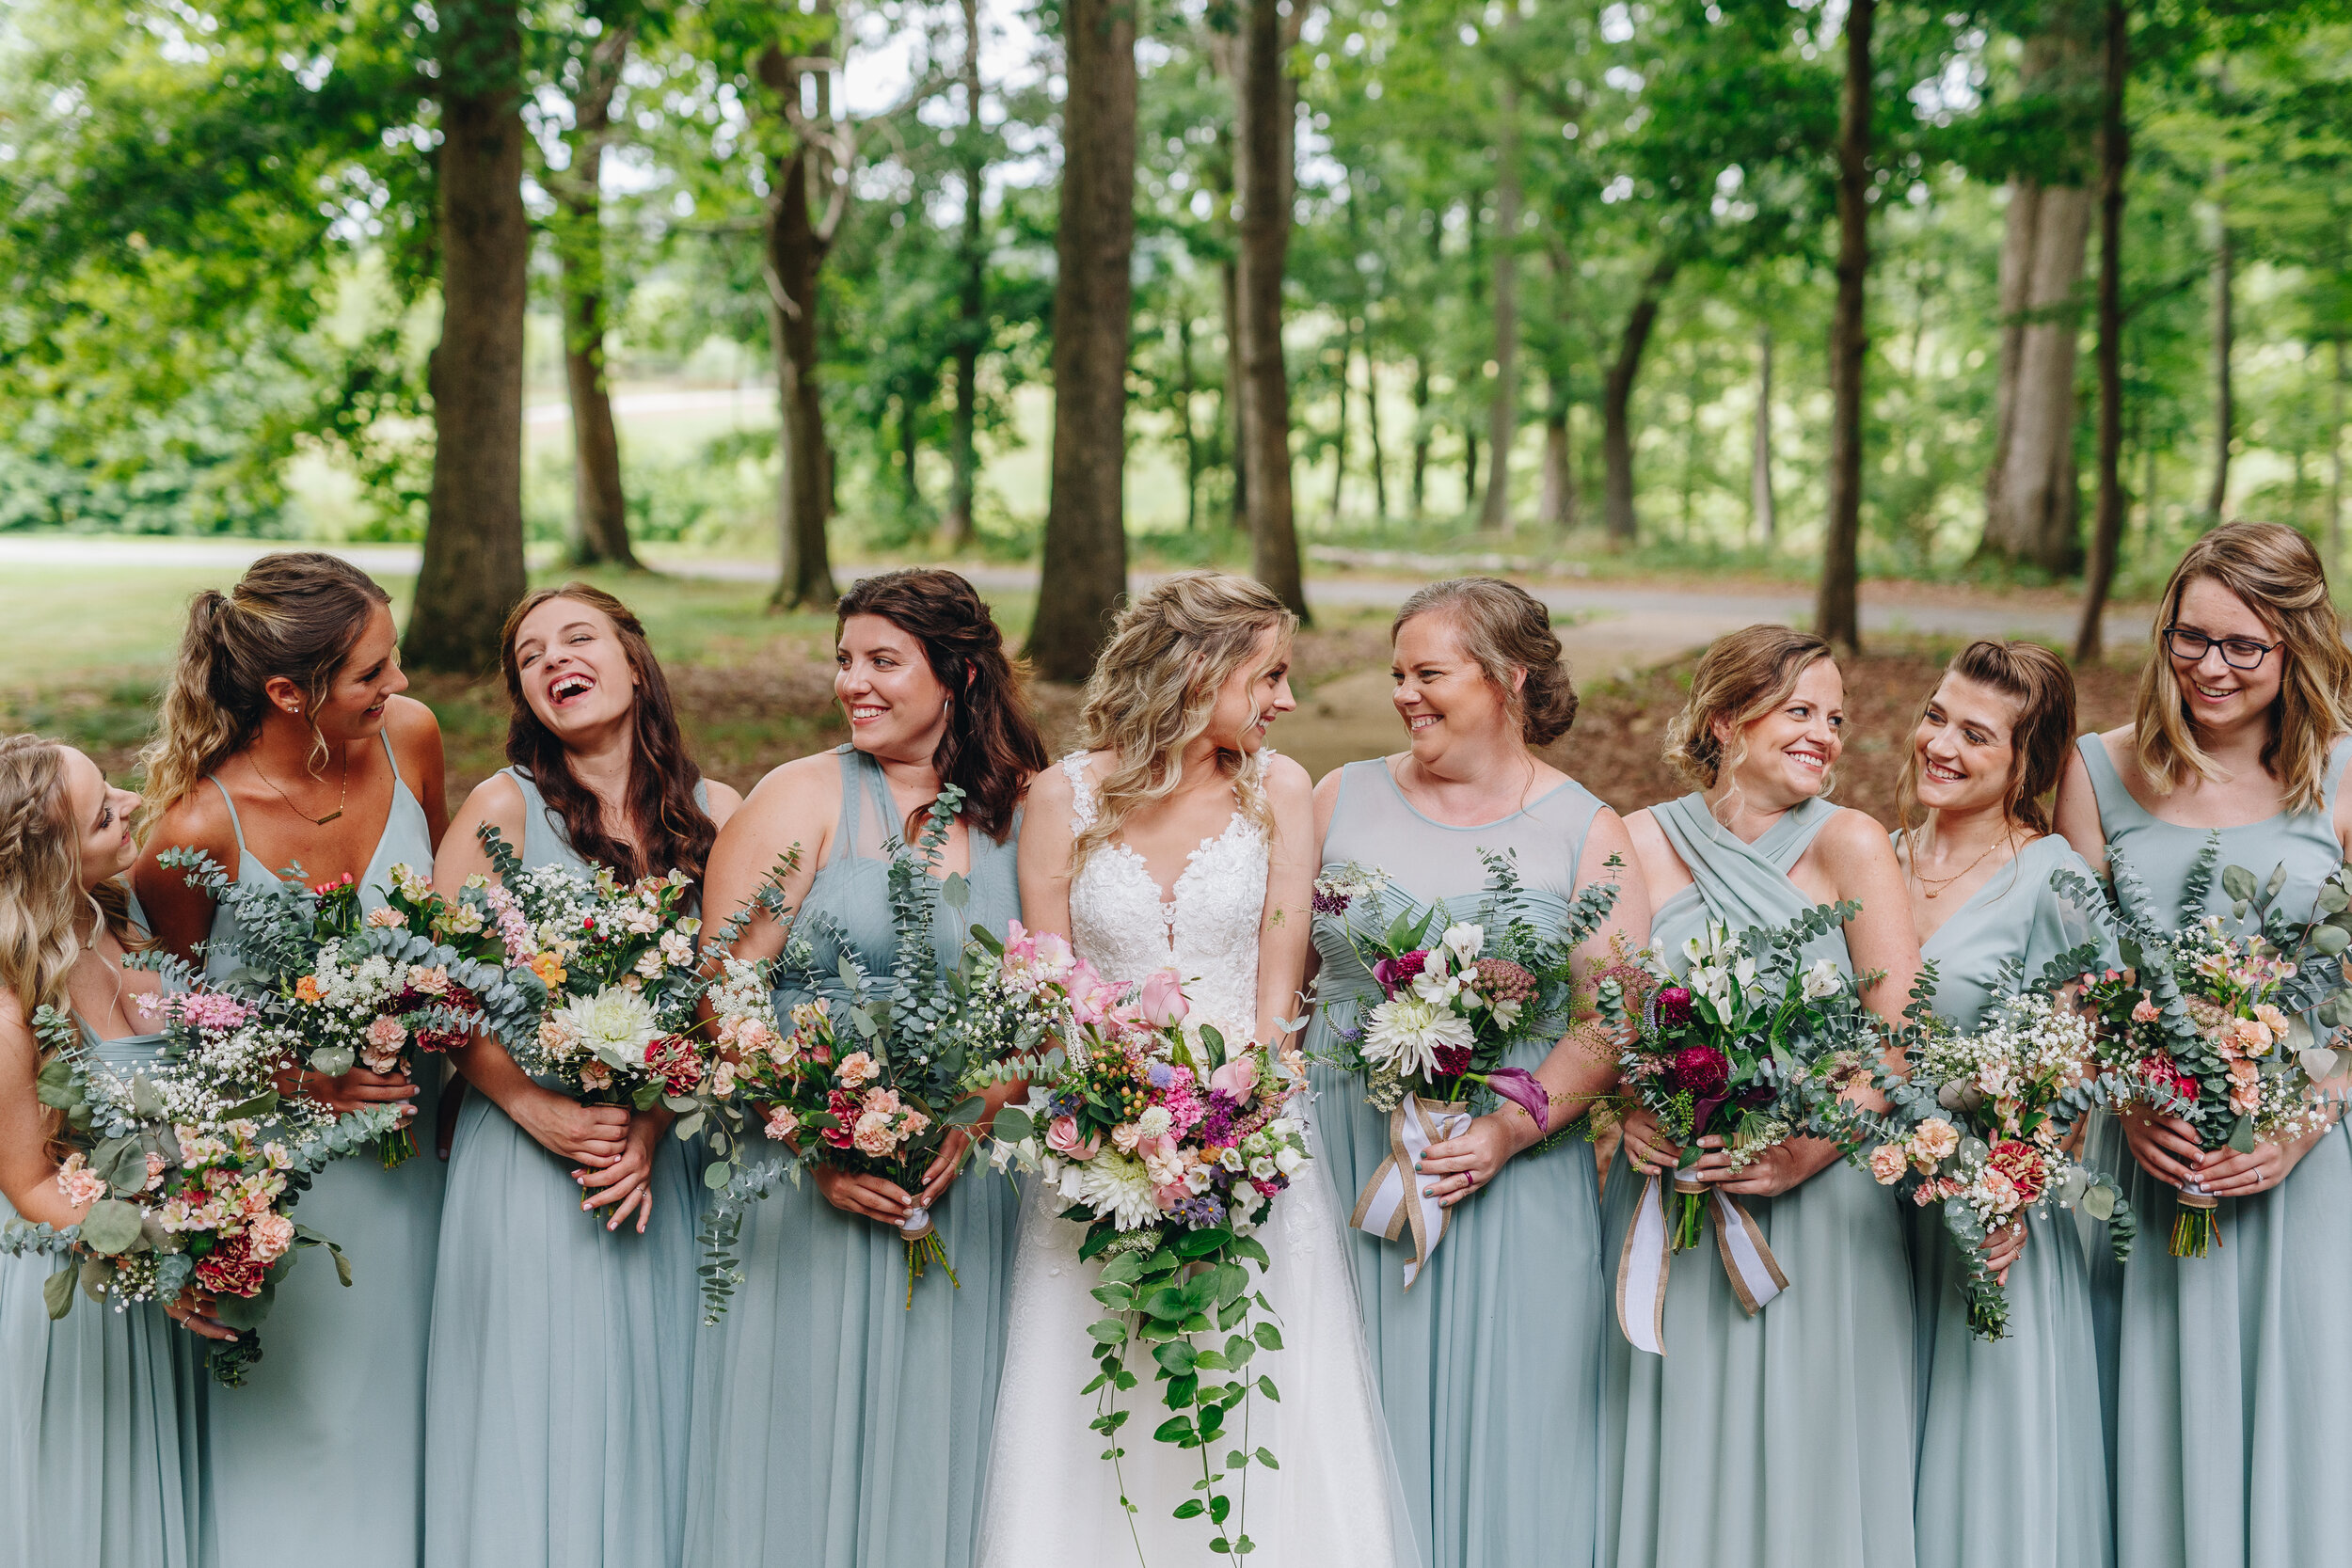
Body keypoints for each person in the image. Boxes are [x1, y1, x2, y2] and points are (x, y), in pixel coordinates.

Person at [976, 571, 1412, 1566]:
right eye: (1270, 674)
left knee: (1250, 1381)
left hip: (1250, 1142)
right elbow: (1052, 987)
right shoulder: (1062, 795)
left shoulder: (1280, 790)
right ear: (1199, 668)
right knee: (1104, 1389)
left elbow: (1278, 983)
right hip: (1097, 1140)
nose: (1287, 701)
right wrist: (1118, 1123)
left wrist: (1231, 1122)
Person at [684, 568, 1044, 1568]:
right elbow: (725, 992)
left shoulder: (1018, 812)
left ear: (959, 674)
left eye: (884, 660)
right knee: (794, 1438)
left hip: (962, 1180)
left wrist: (976, 1119)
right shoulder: (801, 794)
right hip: (804, 1179)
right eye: (846, 660)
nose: (855, 682)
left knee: (946, 1442)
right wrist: (815, 1136)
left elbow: (1045, 990)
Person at [1306, 578, 1650, 1568]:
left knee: (1514, 1432)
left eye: (1430, 673)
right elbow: (1276, 977)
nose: (1406, 694)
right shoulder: (1339, 797)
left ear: (1508, 677)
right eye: (1398, 674)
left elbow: (1607, 1023)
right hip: (1341, 1153)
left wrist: (1510, 1125)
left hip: (1509, 1173)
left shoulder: (1590, 831)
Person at [132, 552, 448, 1568]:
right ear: (285, 691)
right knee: (319, 1419)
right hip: (299, 1177)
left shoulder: (412, 738)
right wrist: (310, 1080)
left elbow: (440, 922)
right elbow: (178, 1026)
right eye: (371, 671)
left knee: (424, 1401)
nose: (396, 685)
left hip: (425, 1141)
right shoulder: (195, 831)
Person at [2053, 521, 2352, 1568]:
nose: (2209, 667)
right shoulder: (2095, 770)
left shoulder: (2343, 777)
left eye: (2244, 647)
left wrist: (2307, 1119)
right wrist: (2128, 1095)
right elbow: (2072, 977)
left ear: (2296, 648)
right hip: (2146, 1162)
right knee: (2137, 1429)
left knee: (2297, 1426)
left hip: (2297, 1171)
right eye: (2190, 637)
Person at [422, 586, 741, 1567]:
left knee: (660, 1397)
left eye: (578, 638)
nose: (555, 659)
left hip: (663, 1158)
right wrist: (534, 1106)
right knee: (533, 1400)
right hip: (522, 1153)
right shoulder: (501, 807)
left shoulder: (723, 812)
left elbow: (730, 1001)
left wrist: (646, 1125)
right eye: (529, 654)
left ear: (634, 657)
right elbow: (442, 997)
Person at [1605, 624, 1923, 1568]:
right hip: (1680, 1189)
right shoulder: (1636, 841)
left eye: (1836, 716)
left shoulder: (1852, 842)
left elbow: (1899, 1039)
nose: (1825, 732)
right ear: (1723, 717)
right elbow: (1613, 1023)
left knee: (1811, 1443)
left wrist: (1804, 1150)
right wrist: (1633, 1105)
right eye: (1799, 710)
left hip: (1820, 1200)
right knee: (1683, 1427)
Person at [1893, 641, 2111, 1568]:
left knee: (1978, 1484)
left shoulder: (2053, 878)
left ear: (2028, 761)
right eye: (1936, 715)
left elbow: (2081, 1063)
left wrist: (2011, 1187)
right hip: (1862, 1202)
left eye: (1975, 733)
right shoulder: (1873, 850)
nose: (1939, 742)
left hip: (1988, 1215)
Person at [0, 736, 234, 1568]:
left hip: (149, 1269)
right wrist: (157, 1250)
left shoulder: (115, 918)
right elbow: (28, 1181)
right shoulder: (12, 1002)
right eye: (106, 813)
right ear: (51, 863)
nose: (133, 802)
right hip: (79, 1277)